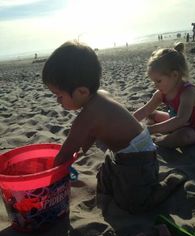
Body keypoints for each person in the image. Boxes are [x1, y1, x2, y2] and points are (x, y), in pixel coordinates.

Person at [42, 41, 184, 213]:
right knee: (104, 184)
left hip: (140, 159)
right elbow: (90, 136)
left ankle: (164, 187)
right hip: (125, 152)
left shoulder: (87, 117)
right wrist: (81, 150)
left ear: (82, 92)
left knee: (132, 205)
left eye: (59, 96)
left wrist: (46, 181)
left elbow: (64, 153)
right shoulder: (100, 96)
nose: (58, 101)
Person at [134, 42, 195, 148]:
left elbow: (180, 119)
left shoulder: (188, 92)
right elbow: (145, 110)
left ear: (174, 75)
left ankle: (156, 140)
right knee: (150, 113)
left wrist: (151, 130)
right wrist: (128, 124)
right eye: (153, 82)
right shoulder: (161, 93)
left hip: (194, 127)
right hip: (175, 122)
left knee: (184, 136)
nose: (155, 85)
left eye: (158, 81)